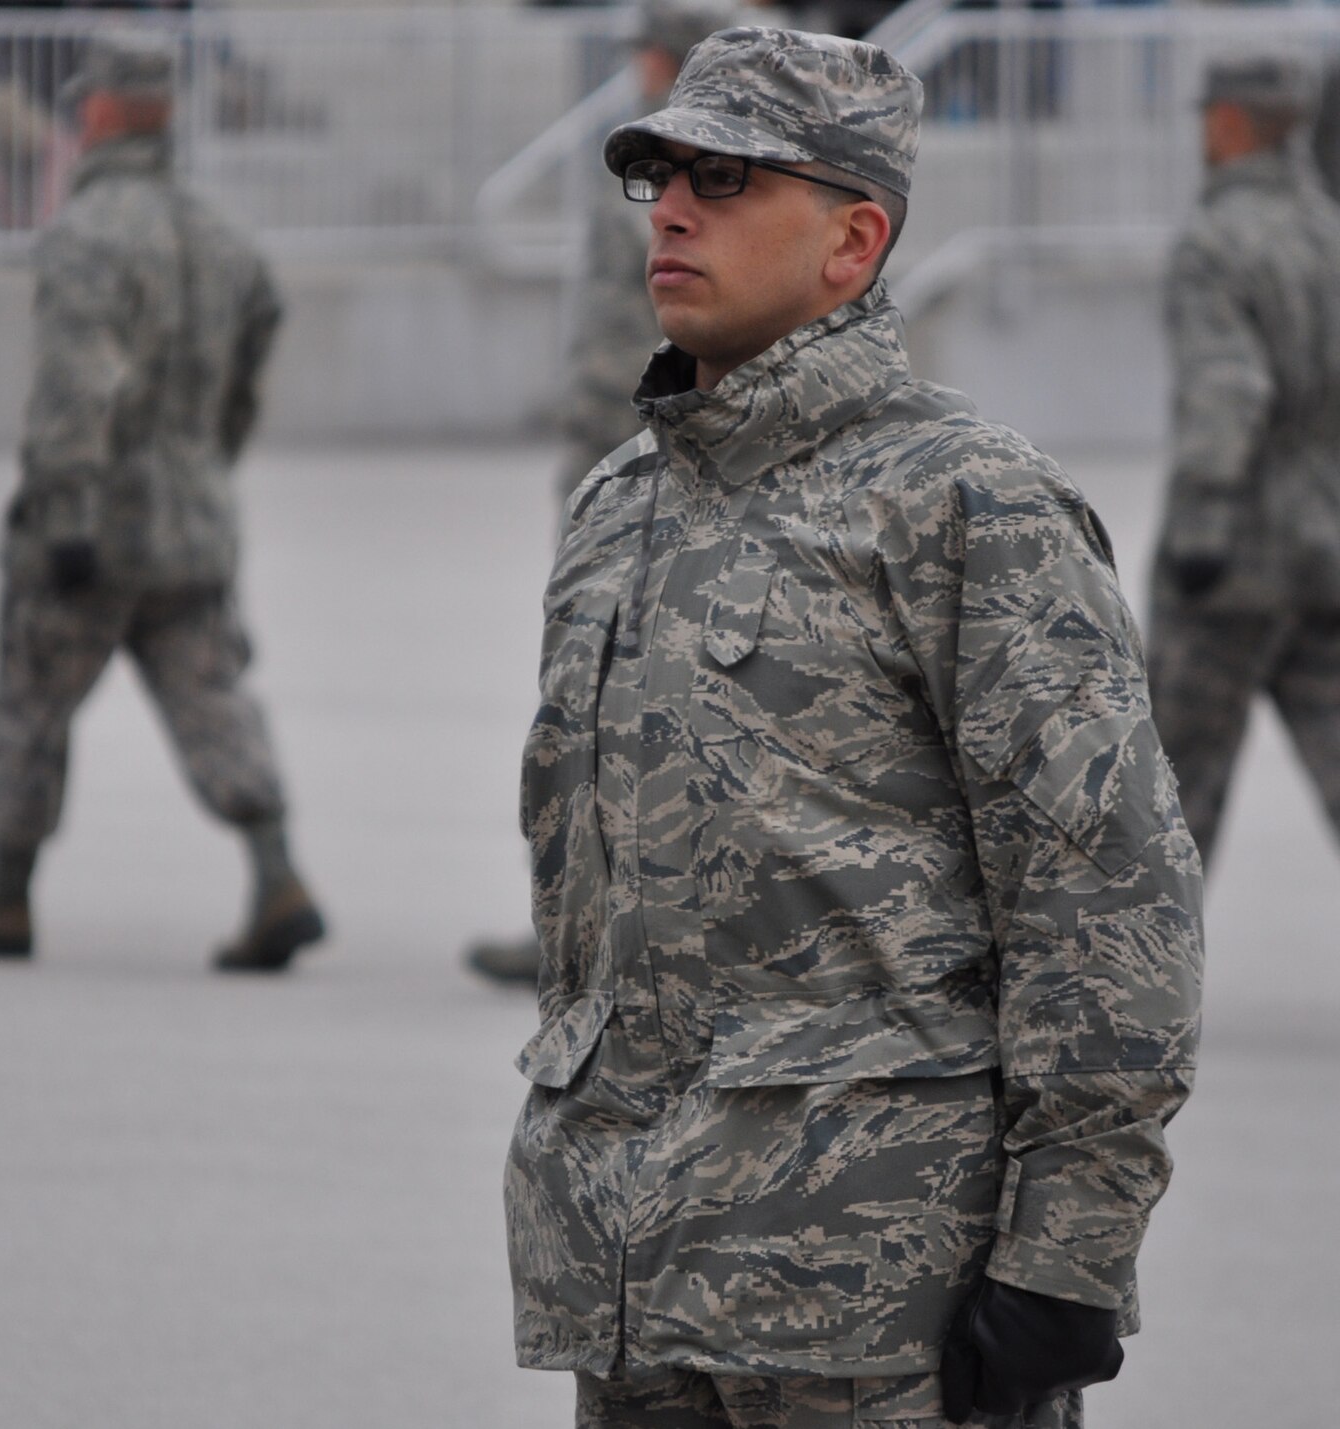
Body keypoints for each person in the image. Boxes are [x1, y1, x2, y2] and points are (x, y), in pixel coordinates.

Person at [503, 28, 1203, 1429]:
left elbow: (1107, 900)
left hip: (879, 1312)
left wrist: (1067, 1257)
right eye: (660, 174)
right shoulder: (617, 509)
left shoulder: (967, 503)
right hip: (634, 1294)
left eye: (727, 176)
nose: (677, 207)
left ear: (853, 238)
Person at [0, 33, 324, 973]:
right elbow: (246, 384)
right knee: (212, 696)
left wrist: (66, 509)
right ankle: (277, 873)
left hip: (95, 524)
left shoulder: (86, 234)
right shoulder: (225, 237)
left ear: (94, 112)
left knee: (30, 699)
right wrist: (209, 472)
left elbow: (73, 391)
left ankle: (6, 891)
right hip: (194, 518)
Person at [468, 0, 737, 989]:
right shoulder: (679, 161)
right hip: (621, 454)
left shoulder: (686, 171)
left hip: (636, 461)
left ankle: (584, 930)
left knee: (598, 699)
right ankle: (593, 920)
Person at [1146, 57, 1340, 871]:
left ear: (1226, 123)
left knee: (1169, 806)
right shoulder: (1330, 230)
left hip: (1232, 565)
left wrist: (1201, 532)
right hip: (1327, 548)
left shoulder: (1214, 240)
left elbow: (1230, 387)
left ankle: (1136, 993)